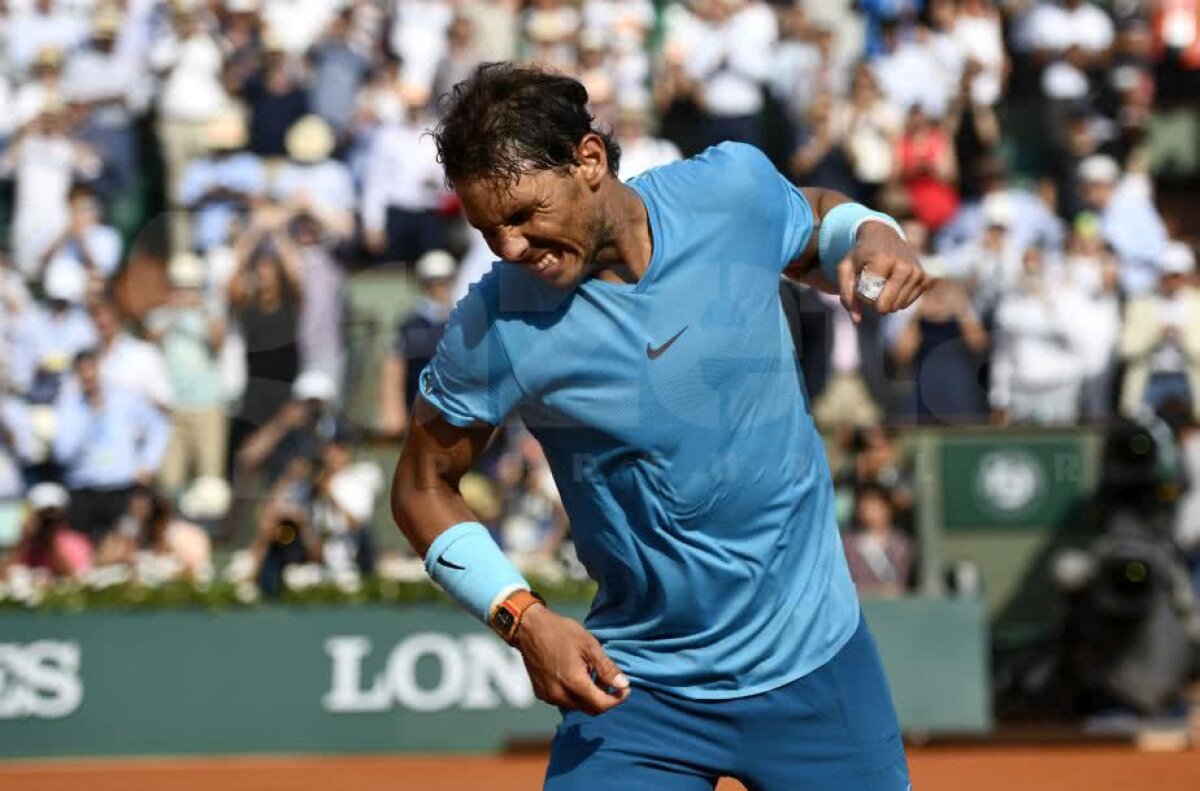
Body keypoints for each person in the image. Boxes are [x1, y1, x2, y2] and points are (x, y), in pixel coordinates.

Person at [390, 64, 927, 791]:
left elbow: (813, 223)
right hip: (635, 691)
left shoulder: (732, 189)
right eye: (489, 230)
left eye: (522, 215)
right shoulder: (494, 324)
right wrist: (523, 618)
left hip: (819, 665)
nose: (510, 248)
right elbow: (423, 484)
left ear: (589, 160)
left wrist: (872, 232)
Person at [53, 349, 172, 542]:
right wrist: (90, 417)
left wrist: (148, 463)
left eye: (92, 369)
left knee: (123, 545)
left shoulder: (124, 399)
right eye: (82, 371)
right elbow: (63, 453)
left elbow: (159, 425)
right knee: (84, 555)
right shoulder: (69, 406)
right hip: (84, 490)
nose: (88, 376)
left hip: (120, 489)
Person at [378, 249, 457, 438]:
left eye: (444, 281)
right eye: (434, 282)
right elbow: (395, 366)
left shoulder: (461, 321)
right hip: (418, 409)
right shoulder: (410, 325)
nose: (440, 288)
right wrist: (392, 409)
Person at [841, 483, 914, 597]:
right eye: (865, 506)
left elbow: (900, 583)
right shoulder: (848, 543)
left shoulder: (901, 544)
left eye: (875, 506)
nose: (869, 511)